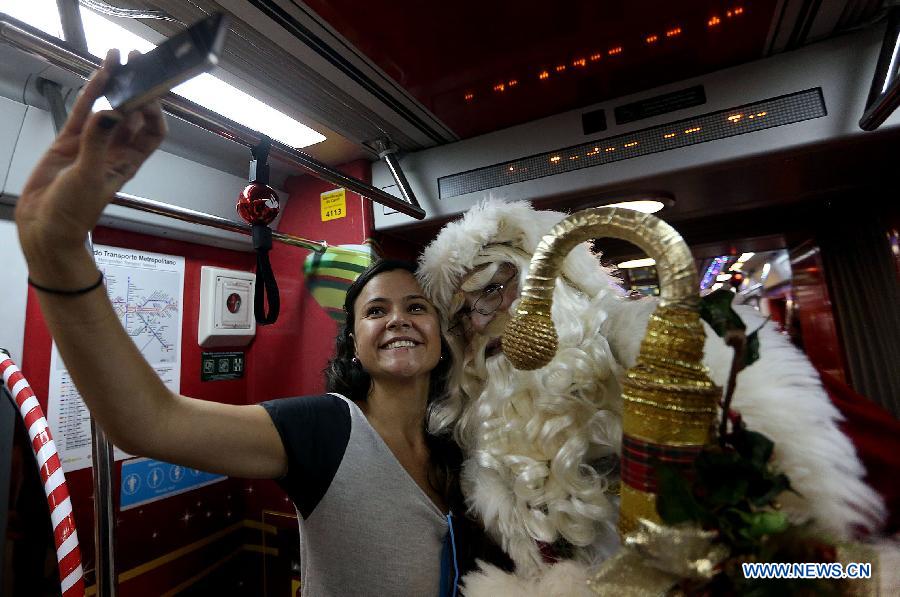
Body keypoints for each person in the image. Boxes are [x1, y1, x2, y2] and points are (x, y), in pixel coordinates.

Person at [14, 49, 484, 596]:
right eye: (375, 311)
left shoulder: (464, 436)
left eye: (416, 307)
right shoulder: (322, 430)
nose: (397, 319)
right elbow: (147, 421)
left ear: (443, 340)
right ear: (353, 343)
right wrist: (59, 251)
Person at [417, 199, 887, 593]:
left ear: (549, 286)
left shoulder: (685, 356)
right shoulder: (489, 459)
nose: (481, 324)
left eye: (495, 289)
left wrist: (747, 573)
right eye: (464, 317)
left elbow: (855, 555)